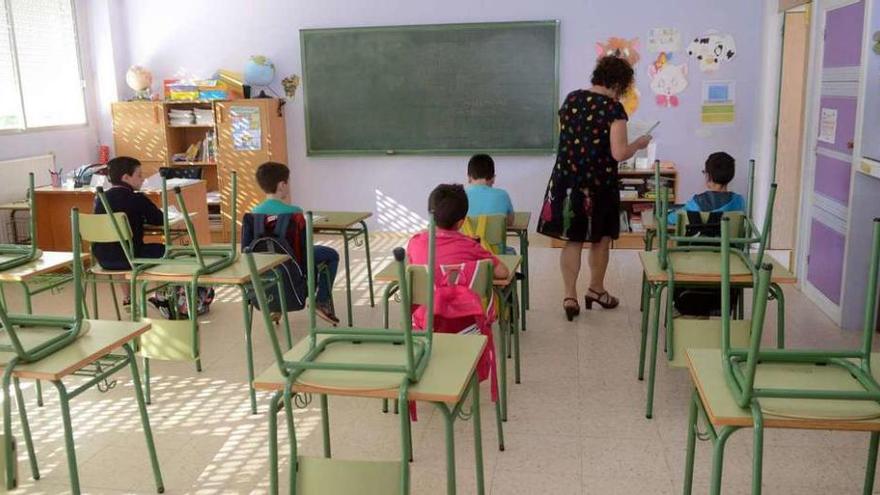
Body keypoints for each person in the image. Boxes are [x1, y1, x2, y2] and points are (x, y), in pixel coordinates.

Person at [537, 55, 652, 322]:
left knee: (572, 238)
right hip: (598, 184)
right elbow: (619, 152)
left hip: (566, 182)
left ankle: (569, 296)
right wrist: (639, 143)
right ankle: (596, 289)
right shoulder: (613, 109)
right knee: (600, 238)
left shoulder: (571, 100)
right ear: (620, 83)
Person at [253, 161, 340, 325]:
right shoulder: (294, 213)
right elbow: (305, 246)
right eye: (288, 183)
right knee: (331, 255)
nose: (289, 186)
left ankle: (277, 305)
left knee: (280, 260)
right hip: (294, 263)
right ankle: (320, 301)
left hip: (265, 265)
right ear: (281, 185)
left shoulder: (254, 214)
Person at [92, 156, 165, 307]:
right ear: (126, 177)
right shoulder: (136, 198)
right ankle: (162, 297)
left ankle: (128, 298)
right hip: (132, 257)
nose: (142, 179)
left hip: (103, 259)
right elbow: (159, 220)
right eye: (139, 175)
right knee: (168, 251)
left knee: (118, 246)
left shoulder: (100, 199)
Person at [666, 152, 745, 225]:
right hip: (728, 240)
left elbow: (671, 219)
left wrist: (669, 213)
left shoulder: (697, 202)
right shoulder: (739, 201)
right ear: (731, 176)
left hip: (699, 240)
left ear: (708, 175)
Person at [465, 154, 514, 225]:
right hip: (494, 236)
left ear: (469, 177)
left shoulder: (460, 197)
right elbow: (510, 222)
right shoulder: (503, 195)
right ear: (493, 178)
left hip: (467, 236)